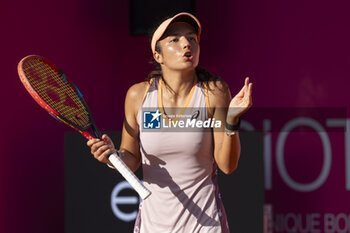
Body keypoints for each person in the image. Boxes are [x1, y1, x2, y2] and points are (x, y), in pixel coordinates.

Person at [87, 12, 252, 233]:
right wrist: (112, 157)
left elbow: (227, 166)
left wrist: (232, 120)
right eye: (175, 39)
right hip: (153, 226)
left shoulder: (214, 92)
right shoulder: (138, 96)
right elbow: (132, 158)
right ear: (158, 55)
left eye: (192, 38)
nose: (186, 43)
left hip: (205, 226)